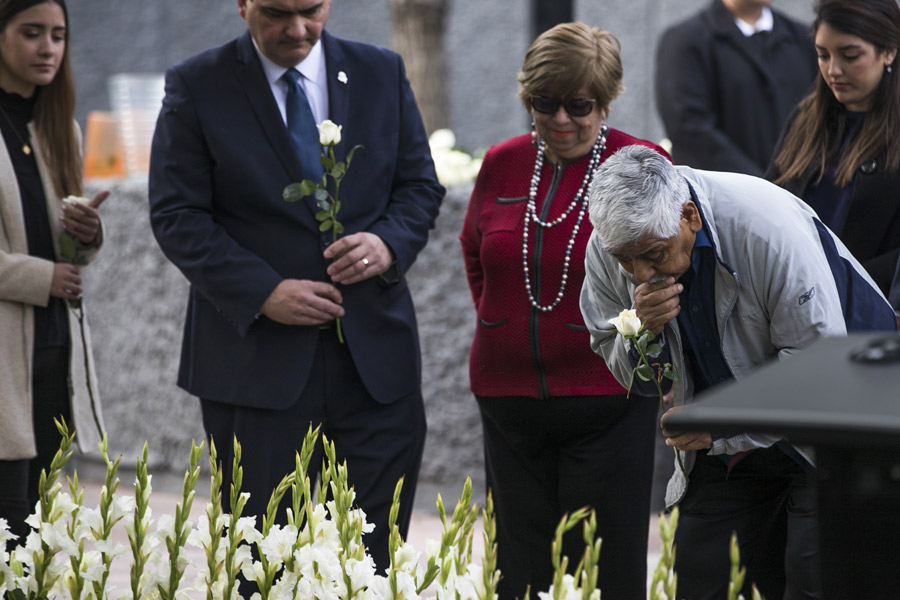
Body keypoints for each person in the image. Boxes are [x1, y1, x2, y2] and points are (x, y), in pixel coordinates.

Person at [147, 0, 443, 572]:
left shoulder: (380, 70)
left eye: (312, 10)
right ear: (242, 5)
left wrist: (386, 243)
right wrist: (262, 292)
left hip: (376, 371)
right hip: (255, 370)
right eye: (278, 12)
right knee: (265, 566)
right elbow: (176, 213)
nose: (298, 29)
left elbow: (419, 187)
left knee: (371, 564)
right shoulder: (197, 84)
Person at [580, 145, 897, 600]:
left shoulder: (763, 227)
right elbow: (626, 366)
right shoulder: (613, 248)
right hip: (723, 436)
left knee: (816, 582)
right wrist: (641, 330)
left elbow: (816, 368)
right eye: (625, 260)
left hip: (837, 420)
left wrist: (721, 428)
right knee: (702, 580)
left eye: (652, 254)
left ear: (689, 216)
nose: (639, 273)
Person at [459, 23, 668, 600]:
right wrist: (497, 324)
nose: (560, 120)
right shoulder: (502, 163)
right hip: (508, 402)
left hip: (608, 402)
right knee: (520, 574)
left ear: (606, 100)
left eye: (579, 105)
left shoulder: (640, 164)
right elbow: (475, 252)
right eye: (543, 104)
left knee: (603, 570)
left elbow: (669, 268)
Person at [0, 0, 108, 541]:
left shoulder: (57, 124)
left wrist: (84, 235)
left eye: (59, 35)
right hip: (3, 365)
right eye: (32, 33)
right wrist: (43, 278)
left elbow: (65, 250)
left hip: (52, 354)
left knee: (35, 534)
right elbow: (46, 269)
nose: (48, 48)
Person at [767, 0, 900, 296]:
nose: (833, 70)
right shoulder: (805, 117)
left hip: (868, 315)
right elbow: (768, 201)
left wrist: (842, 281)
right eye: (822, 55)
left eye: (851, 56)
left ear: (889, 52)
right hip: (790, 302)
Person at [655, 0, 818, 176]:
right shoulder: (686, 40)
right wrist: (759, 185)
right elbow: (689, 127)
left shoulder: (803, 38)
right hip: (722, 194)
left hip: (798, 191)